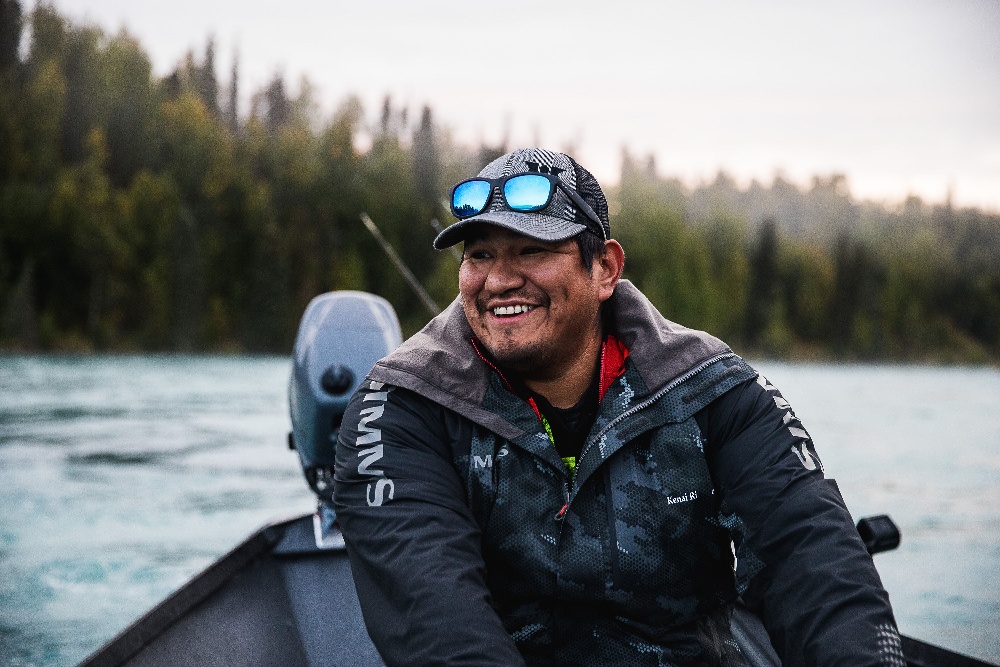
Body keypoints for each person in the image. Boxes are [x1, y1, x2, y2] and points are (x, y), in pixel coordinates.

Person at [333, 148, 904, 666]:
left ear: (604, 268)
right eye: (479, 255)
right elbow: (441, 628)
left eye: (532, 250)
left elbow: (809, 552)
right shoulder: (401, 406)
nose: (499, 280)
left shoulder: (714, 389)